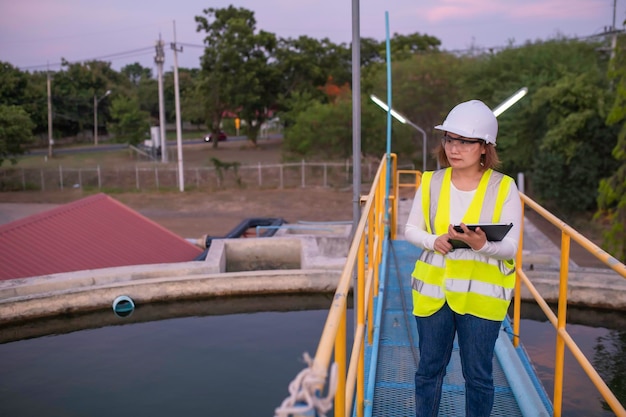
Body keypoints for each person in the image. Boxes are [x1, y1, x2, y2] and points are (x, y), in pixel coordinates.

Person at [404, 99, 522, 417]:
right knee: (428, 371)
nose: (454, 148)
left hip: (480, 301)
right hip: (434, 295)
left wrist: (483, 245)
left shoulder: (504, 187)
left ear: (484, 147)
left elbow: (511, 247)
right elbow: (411, 229)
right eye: (450, 139)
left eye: (465, 141)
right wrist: (434, 240)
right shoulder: (431, 182)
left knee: (478, 377)